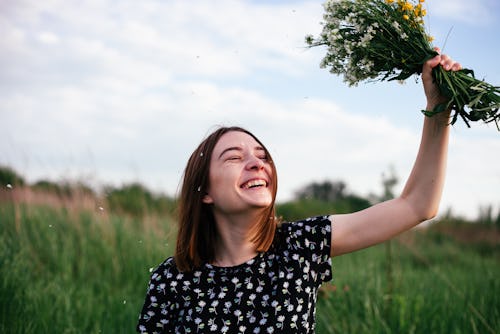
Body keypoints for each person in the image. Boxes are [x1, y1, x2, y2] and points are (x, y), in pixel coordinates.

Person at [136, 51, 462, 333]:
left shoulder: (300, 246)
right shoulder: (172, 280)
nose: (256, 163)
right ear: (204, 191)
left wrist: (438, 108)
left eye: (262, 156)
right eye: (234, 157)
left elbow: (417, 205)